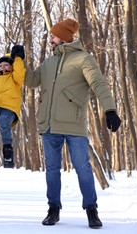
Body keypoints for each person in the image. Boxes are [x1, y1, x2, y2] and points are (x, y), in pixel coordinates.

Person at [21, 18, 121, 228]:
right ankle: (53, 209)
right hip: (49, 125)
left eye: (53, 36)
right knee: (52, 169)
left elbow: (99, 83)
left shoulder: (84, 59)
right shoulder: (49, 62)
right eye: (50, 36)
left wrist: (110, 110)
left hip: (74, 125)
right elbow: (32, 81)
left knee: (83, 168)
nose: (50, 39)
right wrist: (20, 62)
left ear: (65, 38)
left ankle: (91, 209)